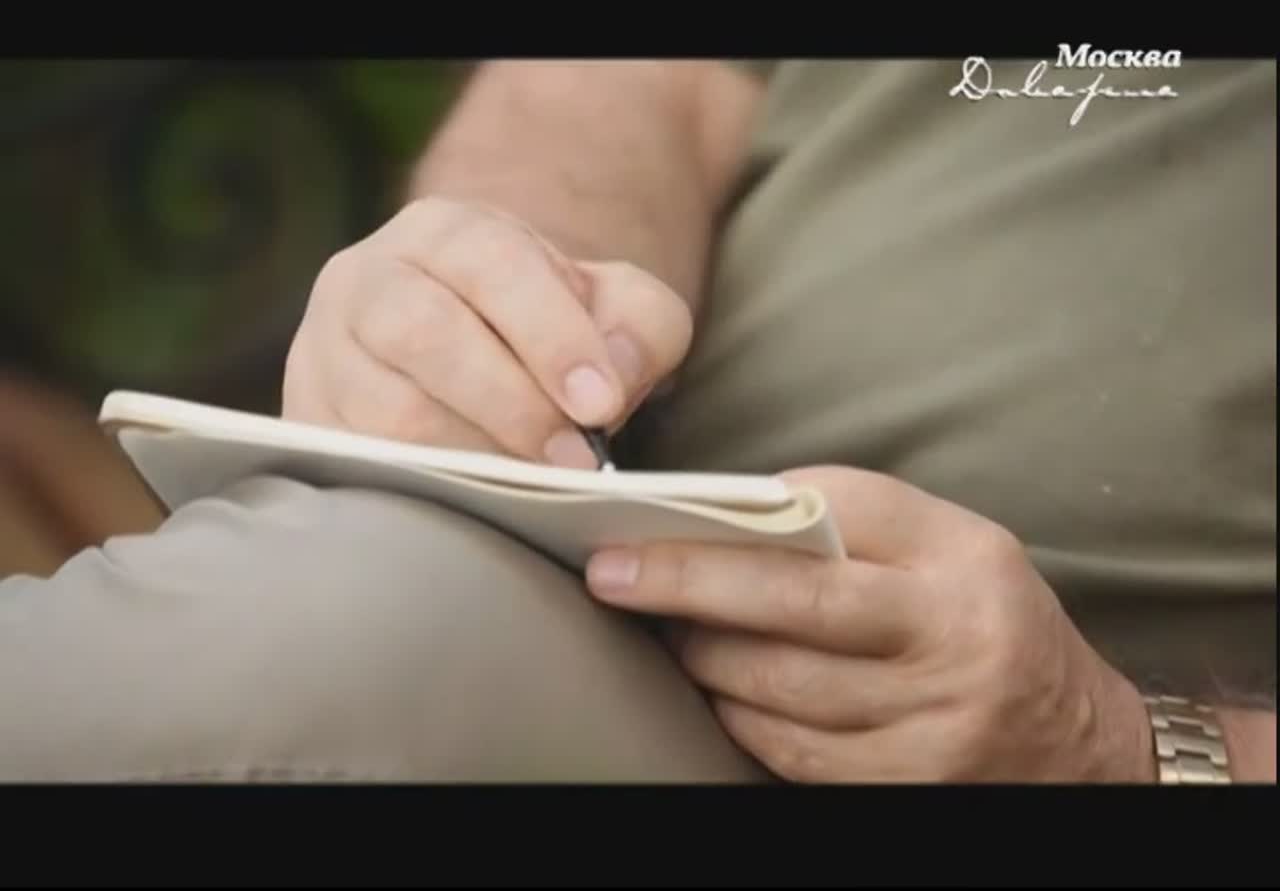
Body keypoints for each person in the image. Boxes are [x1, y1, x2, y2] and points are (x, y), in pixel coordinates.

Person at [0, 58, 1273, 783]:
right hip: (561, 545)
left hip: (958, 758)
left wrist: (1127, 749)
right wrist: (508, 286)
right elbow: (634, 74)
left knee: (334, 638)